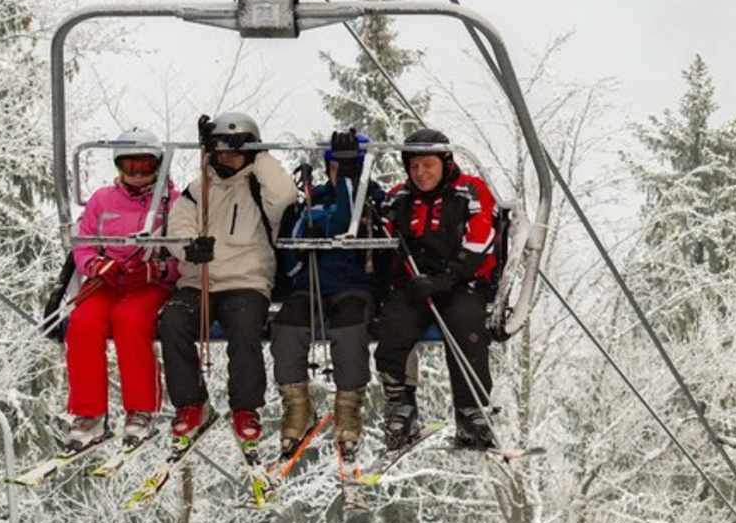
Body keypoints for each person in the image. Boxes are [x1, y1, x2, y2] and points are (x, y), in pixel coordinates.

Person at [158, 111, 301, 450]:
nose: (229, 158)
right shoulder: (198, 190)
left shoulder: (259, 186)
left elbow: (285, 196)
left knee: (244, 327)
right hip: (199, 282)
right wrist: (189, 249)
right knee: (174, 320)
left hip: (246, 280)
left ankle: (245, 408)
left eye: (237, 150)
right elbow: (177, 229)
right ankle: (192, 403)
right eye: (221, 150)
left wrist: (261, 153)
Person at [374, 127, 501, 451]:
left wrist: (448, 278)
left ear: (445, 162)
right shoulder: (399, 198)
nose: (421, 173)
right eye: (414, 167)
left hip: (462, 281)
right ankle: (401, 407)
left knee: (466, 323)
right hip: (416, 284)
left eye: (428, 165)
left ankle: (471, 409)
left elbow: (481, 239)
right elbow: (384, 239)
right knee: (393, 326)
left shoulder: (470, 192)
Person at [271, 129, 383, 461]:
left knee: (349, 328)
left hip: (353, 285)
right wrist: (298, 264)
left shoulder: (374, 199)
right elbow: (289, 246)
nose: (341, 171)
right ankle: (297, 403)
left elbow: (347, 222)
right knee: (287, 326)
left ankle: (348, 408)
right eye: (336, 164)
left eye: (351, 165)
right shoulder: (311, 199)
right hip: (311, 284)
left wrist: (349, 181)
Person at [63, 130, 177, 448]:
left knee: (130, 319)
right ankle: (89, 413)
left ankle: (141, 408)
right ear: (118, 166)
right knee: (83, 322)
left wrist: (158, 269)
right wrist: (98, 266)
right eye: (130, 166)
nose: (137, 174)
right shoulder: (102, 200)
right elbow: (83, 245)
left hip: (148, 283)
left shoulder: (173, 203)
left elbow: (185, 254)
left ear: (157, 166)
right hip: (108, 280)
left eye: (144, 166)